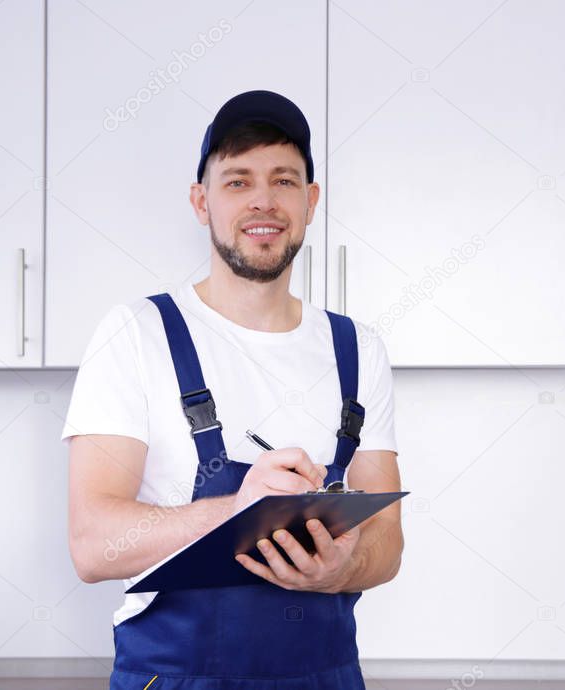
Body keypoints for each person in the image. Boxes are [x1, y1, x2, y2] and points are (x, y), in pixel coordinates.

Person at [61, 89, 403, 689]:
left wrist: (340, 567)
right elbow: (92, 545)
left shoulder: (358, 349)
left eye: (285, 180)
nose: (264, 202)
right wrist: (242, 513)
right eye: (238, 181)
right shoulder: (137, 334)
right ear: (201, 201)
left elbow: (388, 548)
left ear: (311, 200)